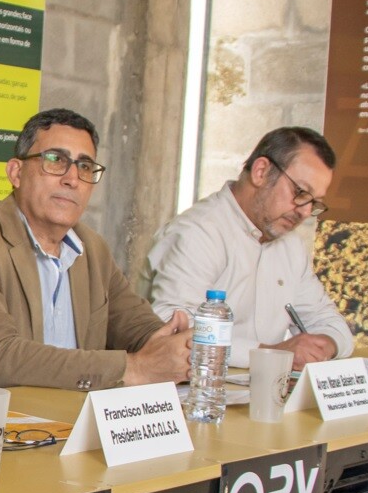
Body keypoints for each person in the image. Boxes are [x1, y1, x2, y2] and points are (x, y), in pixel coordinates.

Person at [0, 107, 191, 393]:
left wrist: (178, 347)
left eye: (84, 166)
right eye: (55, 160)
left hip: (72, 415)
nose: (72, 179)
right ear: (16, 173)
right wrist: (135, 368)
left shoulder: (93, 248)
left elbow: (136, 326)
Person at [142, 126, 354, 370]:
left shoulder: (291, 245)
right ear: (261, 171)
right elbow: (174, 330)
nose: (305, 211)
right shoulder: (198, 231)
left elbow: (328, 321)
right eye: (300, 193)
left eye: (314, 203)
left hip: (260, 387)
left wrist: (325, 345)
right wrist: (271, 353)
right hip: (191, 387)